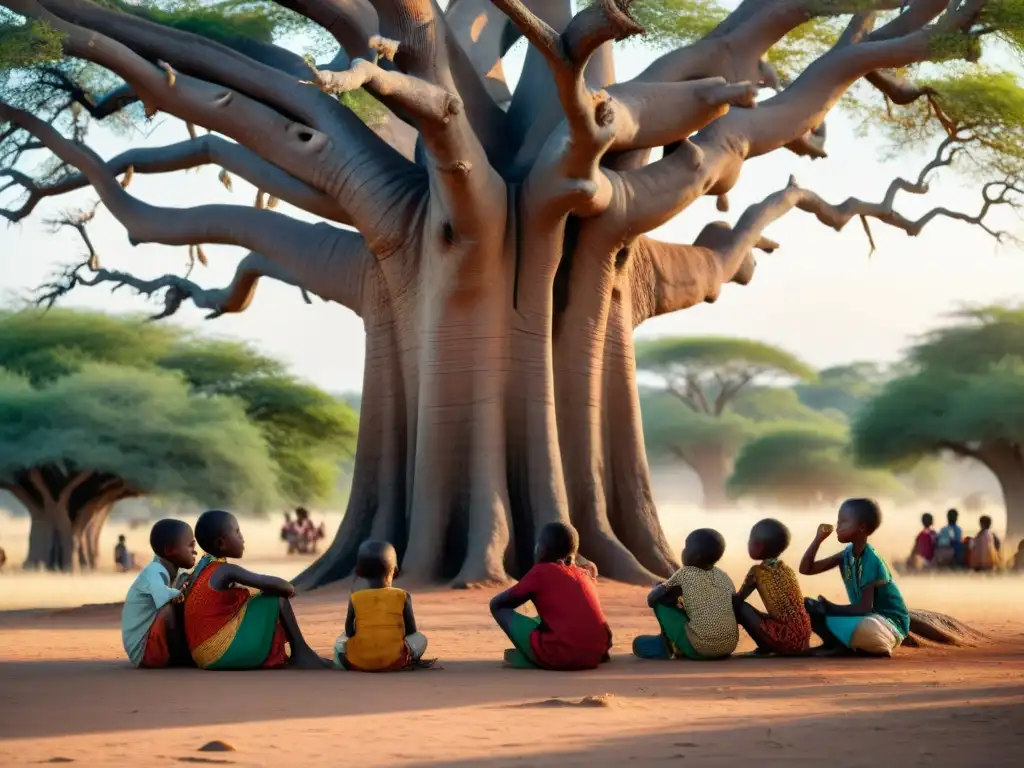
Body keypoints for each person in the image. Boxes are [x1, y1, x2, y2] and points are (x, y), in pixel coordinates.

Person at [183, 509, 327, 670]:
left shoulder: (203, 566)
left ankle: (302, 654)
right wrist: (289, 588)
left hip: (200, 655)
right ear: (221, 543)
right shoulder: (225, 570)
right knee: (275, 597)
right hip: (221, 653)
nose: (242, 538)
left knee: (254, 600)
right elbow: (269, 583)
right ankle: (302, 653)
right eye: (237, 532)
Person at [489, 522, 611, 670]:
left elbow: (500, 602)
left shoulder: (542, 571)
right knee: (551, 617)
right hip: (596, 654)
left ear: (541, 548)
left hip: (562, 656)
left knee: (497, 607)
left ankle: (534, 656)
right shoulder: (584, 574)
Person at [800, 498, 910, 657]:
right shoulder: (846, 555)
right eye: (838, 522)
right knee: (807, 606)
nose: (838, 527)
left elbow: (865, 608)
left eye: (843, 522)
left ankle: (859, 644)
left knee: (866, 626)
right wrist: (818, 540)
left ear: (862, 527)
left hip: (887, 626)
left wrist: (831, 608)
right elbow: (806, 569)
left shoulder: (872, 560)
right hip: (864, 619)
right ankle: (836, 645)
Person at [633, 529, 738, 661]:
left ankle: (666, 645)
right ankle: (683, 641)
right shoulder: (724, 577)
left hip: (700, 650)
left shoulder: (685, 573)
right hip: (728, 648)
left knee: (661, 597)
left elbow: (651, 599)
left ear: (697, 556)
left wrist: (660, 588)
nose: (683, 550)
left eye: (686, 546)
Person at [333, 540, 430, 671]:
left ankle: (346, 661)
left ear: (359, 572)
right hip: (395, 660)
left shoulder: (355, 597)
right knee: (420, 638)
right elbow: (411, 631)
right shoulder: (402, 596)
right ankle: (404, 659)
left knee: (340, 640)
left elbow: (349, 632)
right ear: (395, 571)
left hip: (360, 661)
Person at [120, 519, 197, 668]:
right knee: (168, 609)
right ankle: (182, 656)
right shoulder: (154, 571)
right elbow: (163, 597)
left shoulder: (175, 571)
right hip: (144, 651)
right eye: (190, 545)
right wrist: (183, 592)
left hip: (154, 641)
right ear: (170, 551)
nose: (195, 551)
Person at [732, 519, 811, 656]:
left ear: (758, 546)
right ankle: (770, 645)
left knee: (738, 606)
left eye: (750, 540)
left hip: (786, 640)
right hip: (802, 639)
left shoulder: (757, 571)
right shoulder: (787, 570)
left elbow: (738, 599)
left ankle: (765, 647)